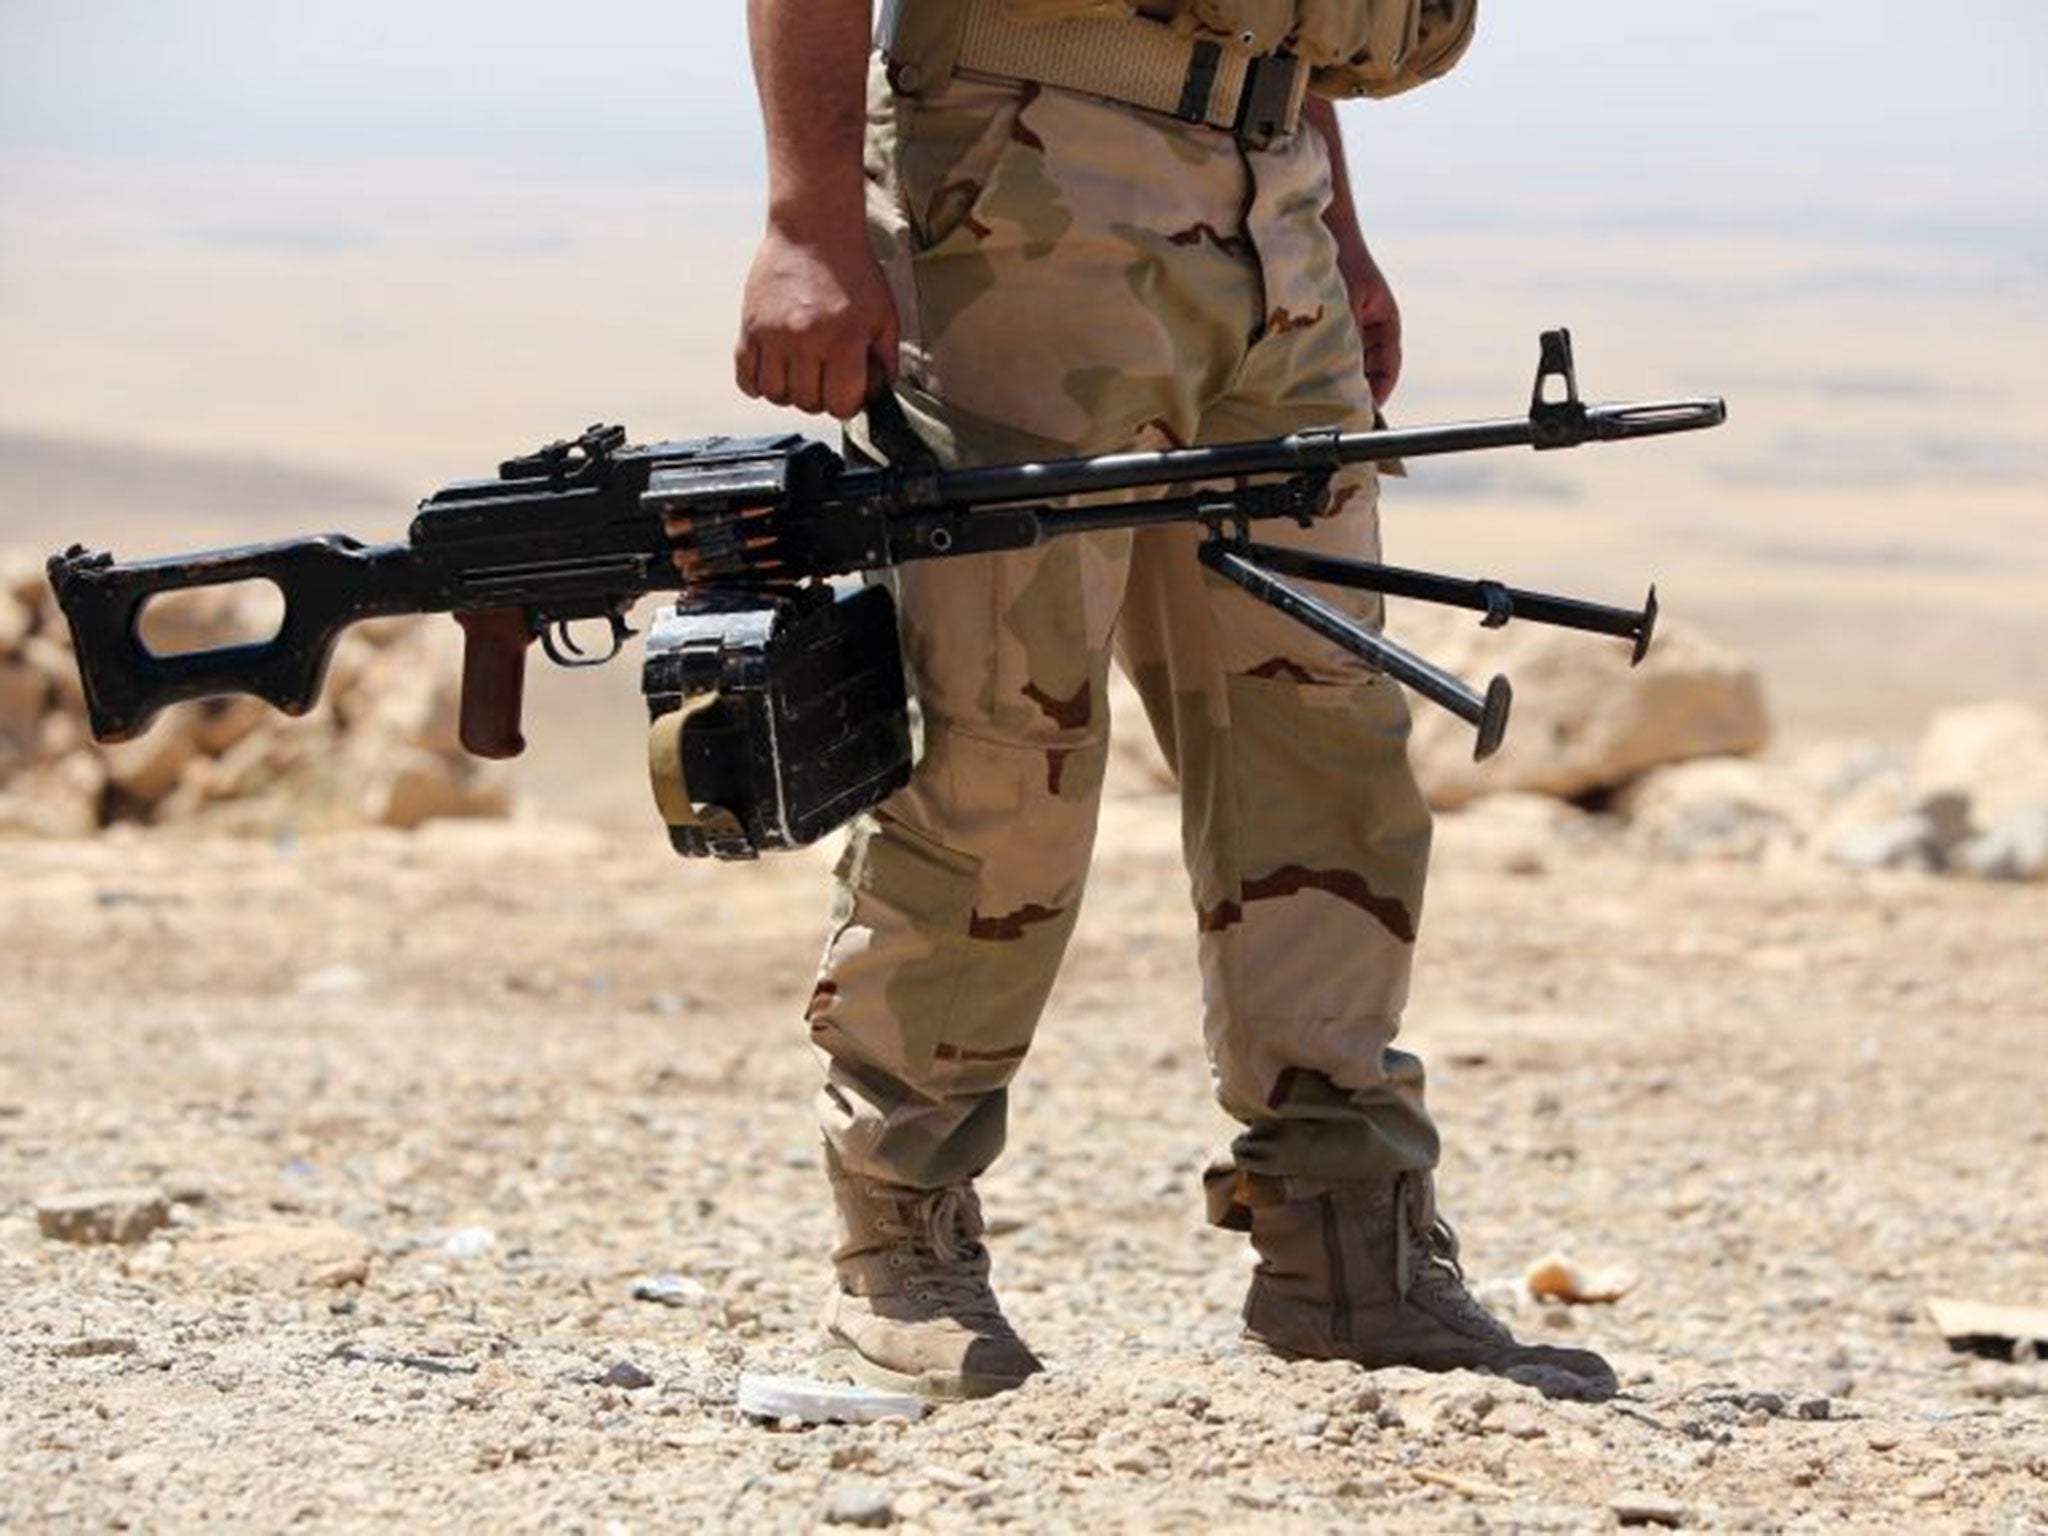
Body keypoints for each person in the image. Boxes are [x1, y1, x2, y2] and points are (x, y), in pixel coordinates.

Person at [735, 0, 1613, 1402]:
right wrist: (806, 219)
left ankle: (1344, 1246)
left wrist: (1339, 228)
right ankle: (901, 1245)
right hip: (1019, 193)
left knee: (1325, 734)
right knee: (1000, 744)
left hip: (1274, 214)